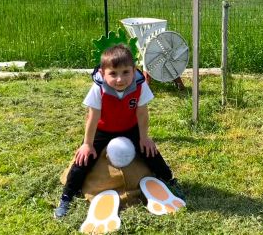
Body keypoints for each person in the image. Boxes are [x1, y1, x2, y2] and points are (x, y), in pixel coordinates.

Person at [54, 44, 184, 218]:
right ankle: (66, 197)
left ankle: (169, 180)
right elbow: (92, 117)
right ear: (102, 73)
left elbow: (142, 113)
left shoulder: (140, 85)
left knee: (151, 153)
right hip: (104, 129)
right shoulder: (98, 88)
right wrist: (87, 144)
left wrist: (144, 138)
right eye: (113, 74)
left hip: (130, 128)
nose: (120, 79)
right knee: (83, 161)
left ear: (134, 70)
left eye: (125, 72)